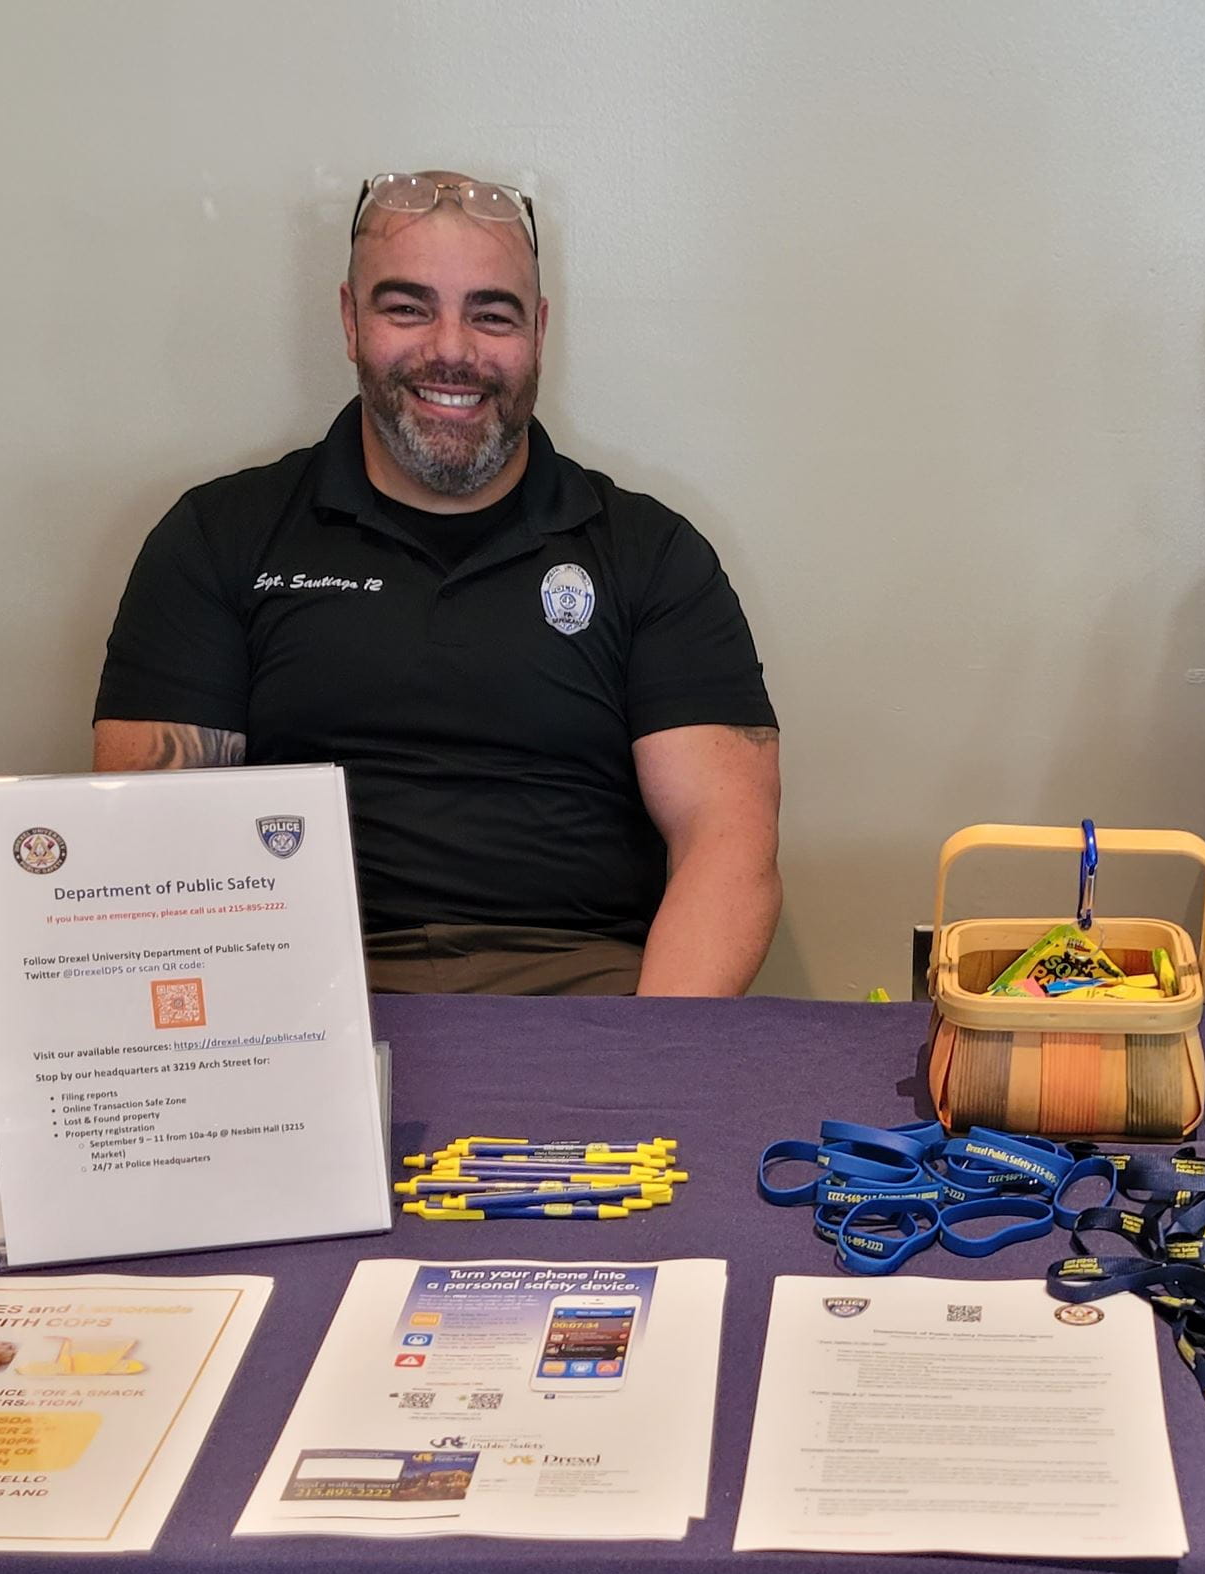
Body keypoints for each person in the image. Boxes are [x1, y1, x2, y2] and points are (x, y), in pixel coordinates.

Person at [93, 171, 781, 997]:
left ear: (540, 332)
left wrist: (642, 1063)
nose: (452, 349)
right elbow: (149, 847)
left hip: (586, 988)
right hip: (302, 994)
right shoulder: (215, 539)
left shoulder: (653, 554)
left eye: (492, 313)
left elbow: (727, 845)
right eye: (407, 307)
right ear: (350, 321)